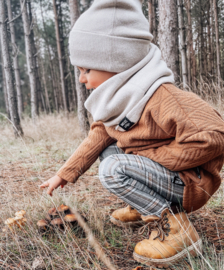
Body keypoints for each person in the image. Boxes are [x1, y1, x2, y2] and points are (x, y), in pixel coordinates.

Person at [40, 0, 224, 268]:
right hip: (168, 178)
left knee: (113, 168)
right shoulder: (124, 99)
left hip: (190, 183)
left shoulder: (163, 97)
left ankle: (177, 230)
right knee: (110, 150)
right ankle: (144, 204)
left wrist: (151, 156)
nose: (82, 79)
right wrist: (64, 173)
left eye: (86, 70)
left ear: (117, 63)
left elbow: (214, 136)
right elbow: (101, 133)